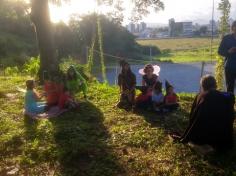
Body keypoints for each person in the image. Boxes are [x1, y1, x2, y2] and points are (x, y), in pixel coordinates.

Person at [173, 75, 235, 151]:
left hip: (204, 138)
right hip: (225, 139)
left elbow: (193, 117)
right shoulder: (227, 97)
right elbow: (230, 95)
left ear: (203, 86)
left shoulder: (200, 96)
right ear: (215, 85)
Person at [218, 21, 236, 93]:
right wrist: (228, 51)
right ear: (232, 27)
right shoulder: (226, 38)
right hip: (230, 66)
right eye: (235, 26)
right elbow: (220, 51)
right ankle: (230, 103)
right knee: (230, 88)